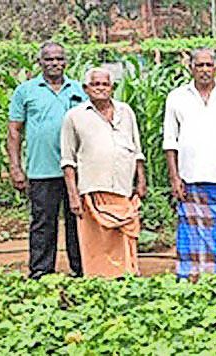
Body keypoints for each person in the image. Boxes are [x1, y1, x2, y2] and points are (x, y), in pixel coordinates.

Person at [163, 48, 216, 280]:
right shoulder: (177, 97)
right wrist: (175, 177)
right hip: (190, 178)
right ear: (191, 68)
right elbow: (170, 142)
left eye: (208, 65)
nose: (204, 70)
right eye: (199, 65)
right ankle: (191, 275)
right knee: (192, 232)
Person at [7, 42, 85, 279]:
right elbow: (14, 131)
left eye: (59, 59)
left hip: (76, 171)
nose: (55, 64)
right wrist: (15, 167)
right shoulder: (26, 91)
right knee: (43, 223)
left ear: (66, 62)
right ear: (40, 62)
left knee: (77, 223)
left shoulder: (79, 90)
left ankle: (81, 269)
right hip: (42, 170)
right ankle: (41, 272)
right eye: (49, 59)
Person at [60, 67, 146, 278]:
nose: (100, 89)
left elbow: (137, 150)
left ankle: (125, 280)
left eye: (105, 84)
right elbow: (68, 161)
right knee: (96, 244)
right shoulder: (74, 116)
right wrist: (73, 195)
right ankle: (99, 282)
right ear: (86, 89)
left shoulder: (126, 112)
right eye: (95, 85)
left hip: (123, 189)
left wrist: (141, 180)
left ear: (112, 87)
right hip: (92, 190)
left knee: (123, 240)